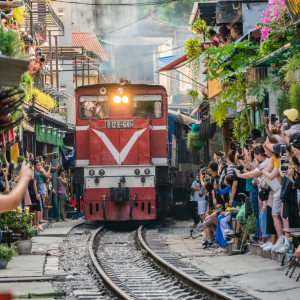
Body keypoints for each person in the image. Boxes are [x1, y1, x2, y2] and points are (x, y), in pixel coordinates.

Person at [30, 160, 44, 230]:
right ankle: (37, 224)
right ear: (34, 166)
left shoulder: (33, 173)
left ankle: (34, 223)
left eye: (40, 165)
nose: (39, 166)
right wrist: (37, 194)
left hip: (33, 192)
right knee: (38, 209)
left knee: (34, 209)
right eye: (38, 165)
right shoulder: (36, 174)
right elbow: (34, 184)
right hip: (36, 192)